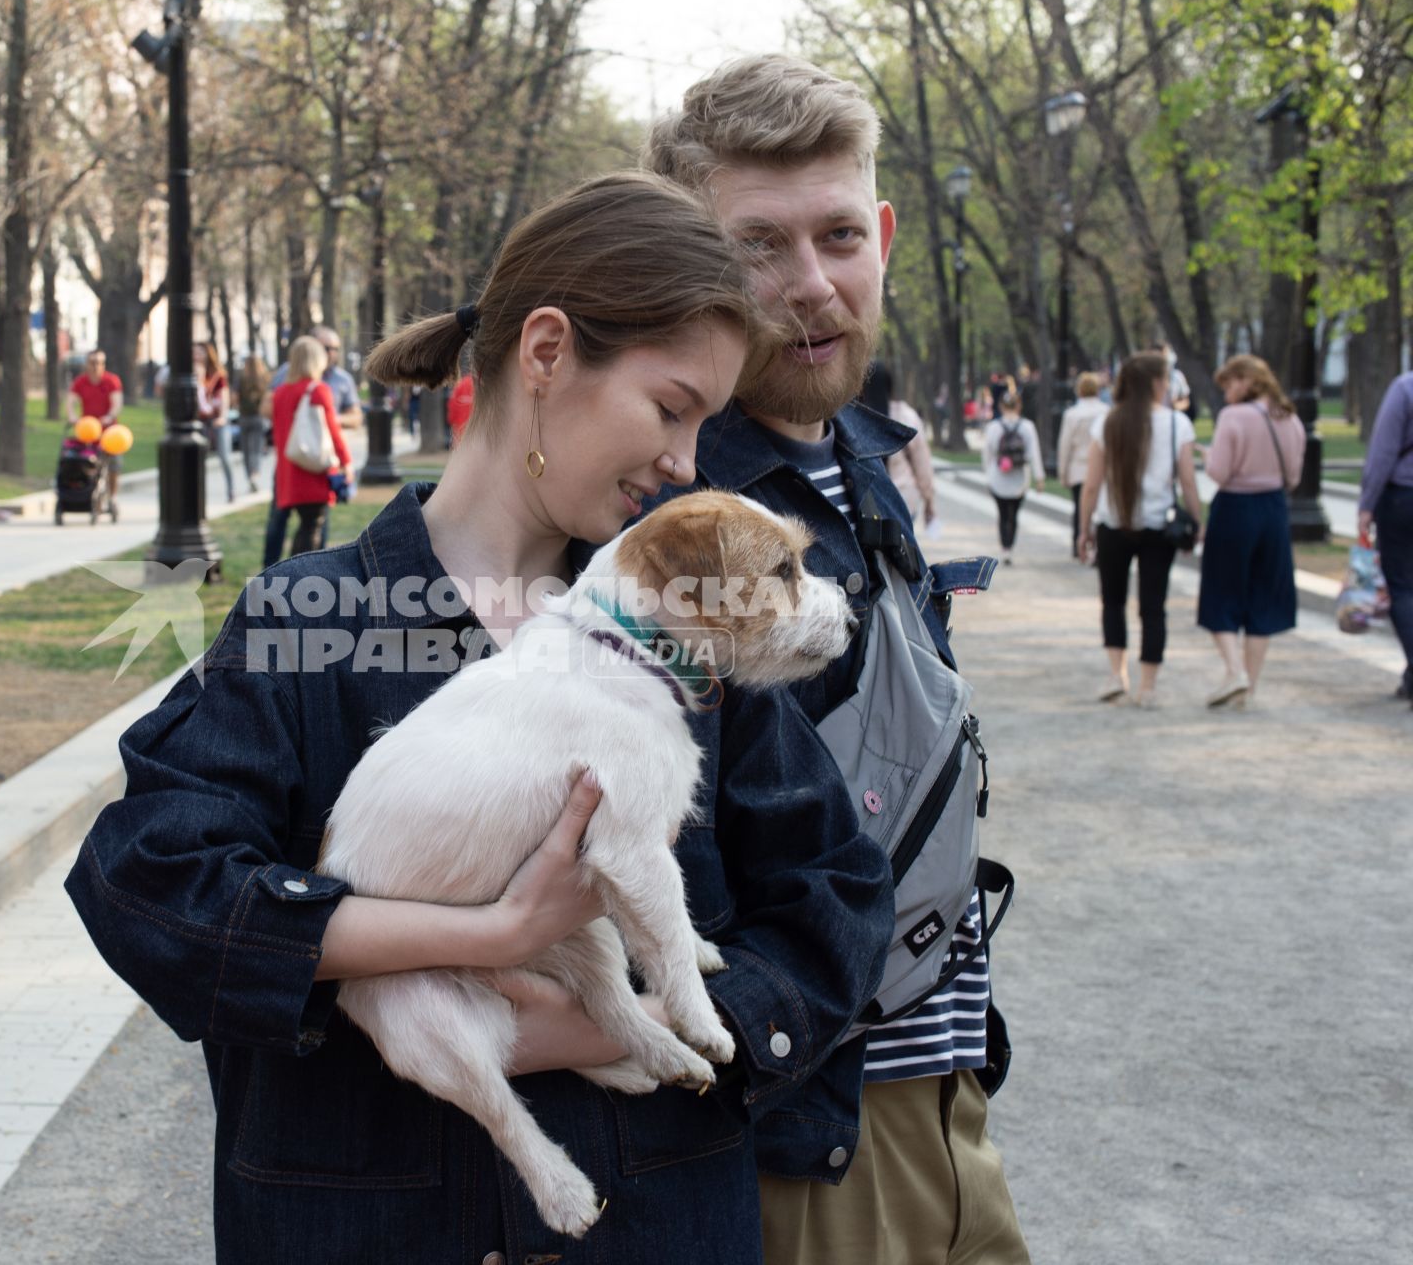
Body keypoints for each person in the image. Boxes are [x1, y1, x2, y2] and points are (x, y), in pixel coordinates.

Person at [65, 170, 888, 1262]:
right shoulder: (311, 621)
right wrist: (487, 940)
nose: (688, 463)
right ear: (547, 354)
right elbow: (148, 883)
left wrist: (685, 1024)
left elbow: (834, 897)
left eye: (707, 422)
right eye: (672, 408)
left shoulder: (684, 636)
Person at [646, 54, 1028, 1265]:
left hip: (945, 1095)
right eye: (760, 245)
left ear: (887, 236)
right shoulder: (678, 515)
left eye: (840, 235)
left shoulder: (861, 464)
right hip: (811, 1141)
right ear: (688, 261)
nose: (812, 286)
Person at [1076, 351, 1202, 708]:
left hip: (1113, 524)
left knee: (1112, 601)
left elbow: (1091, 484)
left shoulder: (1107, 423)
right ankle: (1148, 686)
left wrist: (1084, 529)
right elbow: (1189, 482)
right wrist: (1197, 519)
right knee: (1154, 606)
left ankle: (1117, 675)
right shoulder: (1178, 424)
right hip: (1159, 527)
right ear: (1156, 383)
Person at [1197, 354, 1305, 708]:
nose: (1226, 391)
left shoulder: (1234, 417)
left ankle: (1234, 672)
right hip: (1273, 510)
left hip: (1235, 508)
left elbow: (1220, 472)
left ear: (1246, 380)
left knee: (1221, 590)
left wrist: (1207, 455)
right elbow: (1294, 476)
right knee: (1264, 596)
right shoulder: (1289, 418)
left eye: (1229, 383)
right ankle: (1250, 687)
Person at [1356, 369, 1413, 706]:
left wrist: (1367, 504)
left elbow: (1383, 451)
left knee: (1402, 588)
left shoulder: (1406, 388)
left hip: (1403, 499)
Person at [271, 337, 352, 555]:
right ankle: (301, 580)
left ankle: (292, 577)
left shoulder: (279, 393)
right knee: (312, 529)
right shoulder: (317, 390)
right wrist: (346, 462)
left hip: (290, 470)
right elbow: (332, 432)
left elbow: (279, 435)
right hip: (313, 470)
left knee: (305, 527)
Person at [861, 361, 936, 532]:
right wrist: (929, 500)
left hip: (867, 505)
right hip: (903, 501)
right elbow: (921, 463)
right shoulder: (906, 416)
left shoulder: (854, 418)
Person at [981, 387, 1044, 564]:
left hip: (998, 478)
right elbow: (1033, 453)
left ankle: (1005, 548)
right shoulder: (1027, 427)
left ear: (1001, 407)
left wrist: (987, 474)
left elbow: (987, 454)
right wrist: (1039, 477)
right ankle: (1010, 545)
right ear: (1019, 406)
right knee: (1013, 515)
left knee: (1002, 514)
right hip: (1019, 479)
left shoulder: (993, 427)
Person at [1058, 372, 1108, 555]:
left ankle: (1078, 542)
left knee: (1080, 507)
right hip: (1101, 468)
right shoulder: (1105, 412)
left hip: (1078, 468)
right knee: (1099, 508)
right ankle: (1097, 546)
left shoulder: (1072, 414)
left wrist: (1063, 472)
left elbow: (1065, 446)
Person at [66, 349, 125, 494]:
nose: (96, 366)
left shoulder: (111, 380)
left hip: (109, 432)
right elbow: (70, 402)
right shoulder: (81, 382)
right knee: (84, 462)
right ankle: (88, 493)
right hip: (88, 431)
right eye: (92, 362)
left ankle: (113, 497)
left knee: (114, 465)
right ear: (86, 364)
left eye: (99, 363)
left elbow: (116, 403)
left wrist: (109, 417)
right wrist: (72, 417)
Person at [196, 340, 236, 503]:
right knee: (198, 459)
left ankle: (230, 489)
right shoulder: (191, 373)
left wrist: (223, 417)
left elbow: (224, 396)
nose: (196, 355)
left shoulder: (217, 375)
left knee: (224, 456)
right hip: (199, 421)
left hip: (216, 419)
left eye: (199, 352)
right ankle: (198, 493)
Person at [235, 354, 272, 492]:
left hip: (245, 417)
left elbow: (235, 397)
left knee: (246, 450)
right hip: (258, 417)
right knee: (256, 448)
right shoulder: (265, 378)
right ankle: (254, 475)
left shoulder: (241, 379)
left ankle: (249, 476)